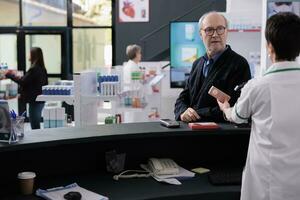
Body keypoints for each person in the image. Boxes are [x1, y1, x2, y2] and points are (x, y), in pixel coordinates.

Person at [217, 12, 300, 200]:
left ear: (269, 46)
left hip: (267, 182)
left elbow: (236, 116)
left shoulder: (257, 86)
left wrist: (225, 107)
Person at [174, 12, 251, 122]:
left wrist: (196, 114)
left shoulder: (239, 64)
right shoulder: (197, 64)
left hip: (219, 135)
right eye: (209, 30)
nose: (215, 34)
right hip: (190, 134)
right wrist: (182, 112)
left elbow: (237, 106)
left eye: (220, 29)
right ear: (201, 34)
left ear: (226, 32)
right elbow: (183, 97)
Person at [6, 47, 48, 129]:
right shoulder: (42, 68)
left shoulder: (34, 69)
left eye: (30, 54)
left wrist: (9, 75)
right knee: (36, 123)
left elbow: (23, 82)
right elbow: (32, 81)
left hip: (35, 100)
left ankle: (38, 141)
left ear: (34, 56)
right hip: (40, 100)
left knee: (35, 125)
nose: (28, 55)